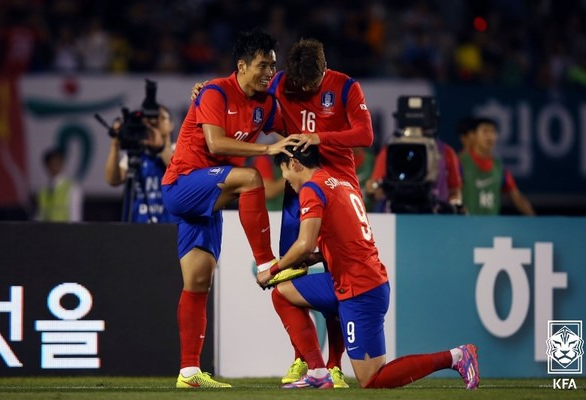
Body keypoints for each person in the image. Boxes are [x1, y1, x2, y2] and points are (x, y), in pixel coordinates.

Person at [189, 38, 374, 388]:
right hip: (299, 188)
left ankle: (334, 365)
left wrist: (320, 137)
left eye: (313, 84)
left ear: (325, 70)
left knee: (337, 278)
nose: (306, 89)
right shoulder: (277, 82)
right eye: (300, 85)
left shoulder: (347, 85)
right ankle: (303, 360)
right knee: (290, 275)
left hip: (338, 187)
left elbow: (365, 133)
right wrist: (206, 92)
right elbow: (242, 95)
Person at [258, 145, 480, 390]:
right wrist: (319, 258)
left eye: (285, 173)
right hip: (355, 281)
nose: (287, 181)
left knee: (372, 380)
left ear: (294, 163)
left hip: (359, 290)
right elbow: (348, 238)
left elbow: (304, 243)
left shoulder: (312, 188)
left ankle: (456, 356)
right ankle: (318, 371)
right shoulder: (341, 182)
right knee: (283, 294)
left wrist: (272, 270)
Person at [161, 30, 298, 389]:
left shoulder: (265, 103)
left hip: (210, 199)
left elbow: (292, 127)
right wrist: (269, 150)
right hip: (182, 184)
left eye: (272, 65)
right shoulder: (215, 92)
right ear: (241, 65)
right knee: (251, 179)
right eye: (262, 65)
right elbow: (215, 142)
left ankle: (189, 372)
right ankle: (268, 263)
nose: (269, 71)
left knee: (198, 281)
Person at [104, 105, 175, 223]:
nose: (154, 122)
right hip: (137, 227)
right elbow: (113, 180)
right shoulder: (136, 154)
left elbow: (182, 174)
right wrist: (115, 144)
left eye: (160, 118)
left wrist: (161, 148)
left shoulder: (178, 151)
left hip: (169, 229)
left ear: (171, 125)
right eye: (149, 119)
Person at [459, 117, 535, 215]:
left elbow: (516, 197)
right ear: (473, 135)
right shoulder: (460, 162)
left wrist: (533, 218)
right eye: (485, 132)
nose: (490, 137)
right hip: (466, 226)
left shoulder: (499, 167)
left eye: (493, 132)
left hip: (492, 226)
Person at [365, 138, 462, 213]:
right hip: (396, 216)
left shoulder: (445, 152)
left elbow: (454, 192)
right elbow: (376, 192)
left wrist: (454, 206)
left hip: (435, 218)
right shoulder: (390, 151)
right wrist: (373, 189)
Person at [36, 147, 83, 222]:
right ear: (47, 165)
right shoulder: (42, 190)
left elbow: (75, 217)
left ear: (62, 164)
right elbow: (39, 215)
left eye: (57, 162)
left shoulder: (72, 187)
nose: (55, 166)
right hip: (45, 232)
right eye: (51, 163)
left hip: (64, 232)